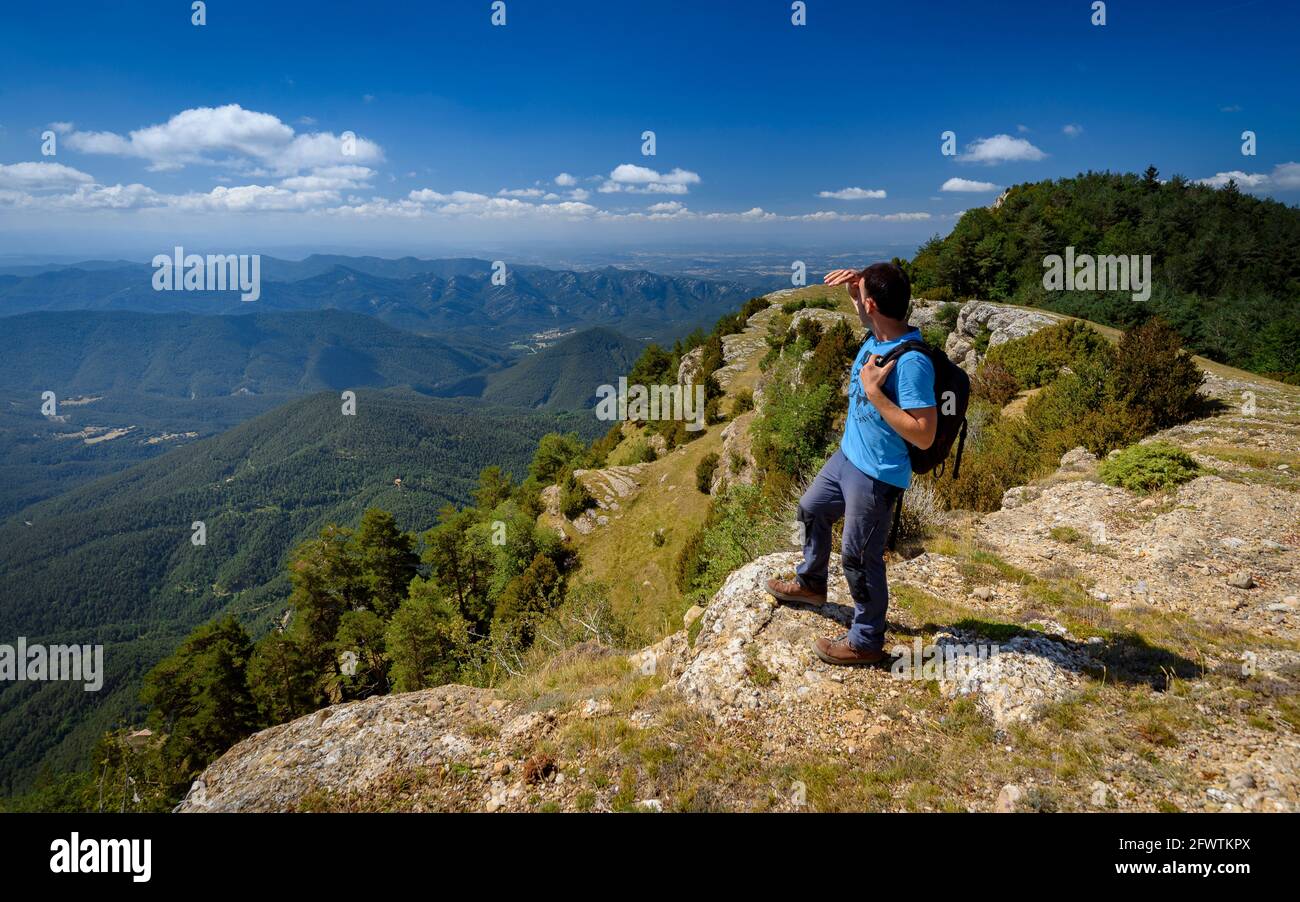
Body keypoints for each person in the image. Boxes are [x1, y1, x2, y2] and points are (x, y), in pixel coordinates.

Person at [765, 262, 938, 665]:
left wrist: (876, 395)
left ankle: (865, 640)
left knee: (859, 557)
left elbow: (924, 432)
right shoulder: (880, 333)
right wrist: (854, 292)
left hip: (877, 474)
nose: (859, 303)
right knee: (810, 509)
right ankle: (811, 584)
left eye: (863, 297)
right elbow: (868, 315)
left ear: (875, 303)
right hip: (847, 456)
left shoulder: (912, 362)